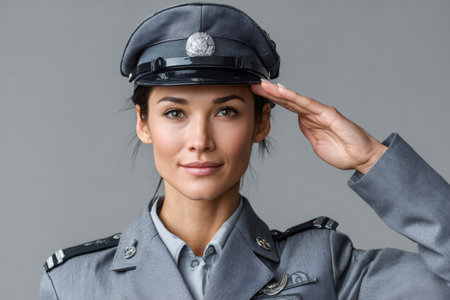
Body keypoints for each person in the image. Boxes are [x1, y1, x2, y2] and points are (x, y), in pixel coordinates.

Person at [39, 2, 450, 299]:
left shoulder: (327, 266)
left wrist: (371, 159)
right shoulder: (75, 284)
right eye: (175, 113)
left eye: (226, 111)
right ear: (143, 123)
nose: (200, 139)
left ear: (261, 123)